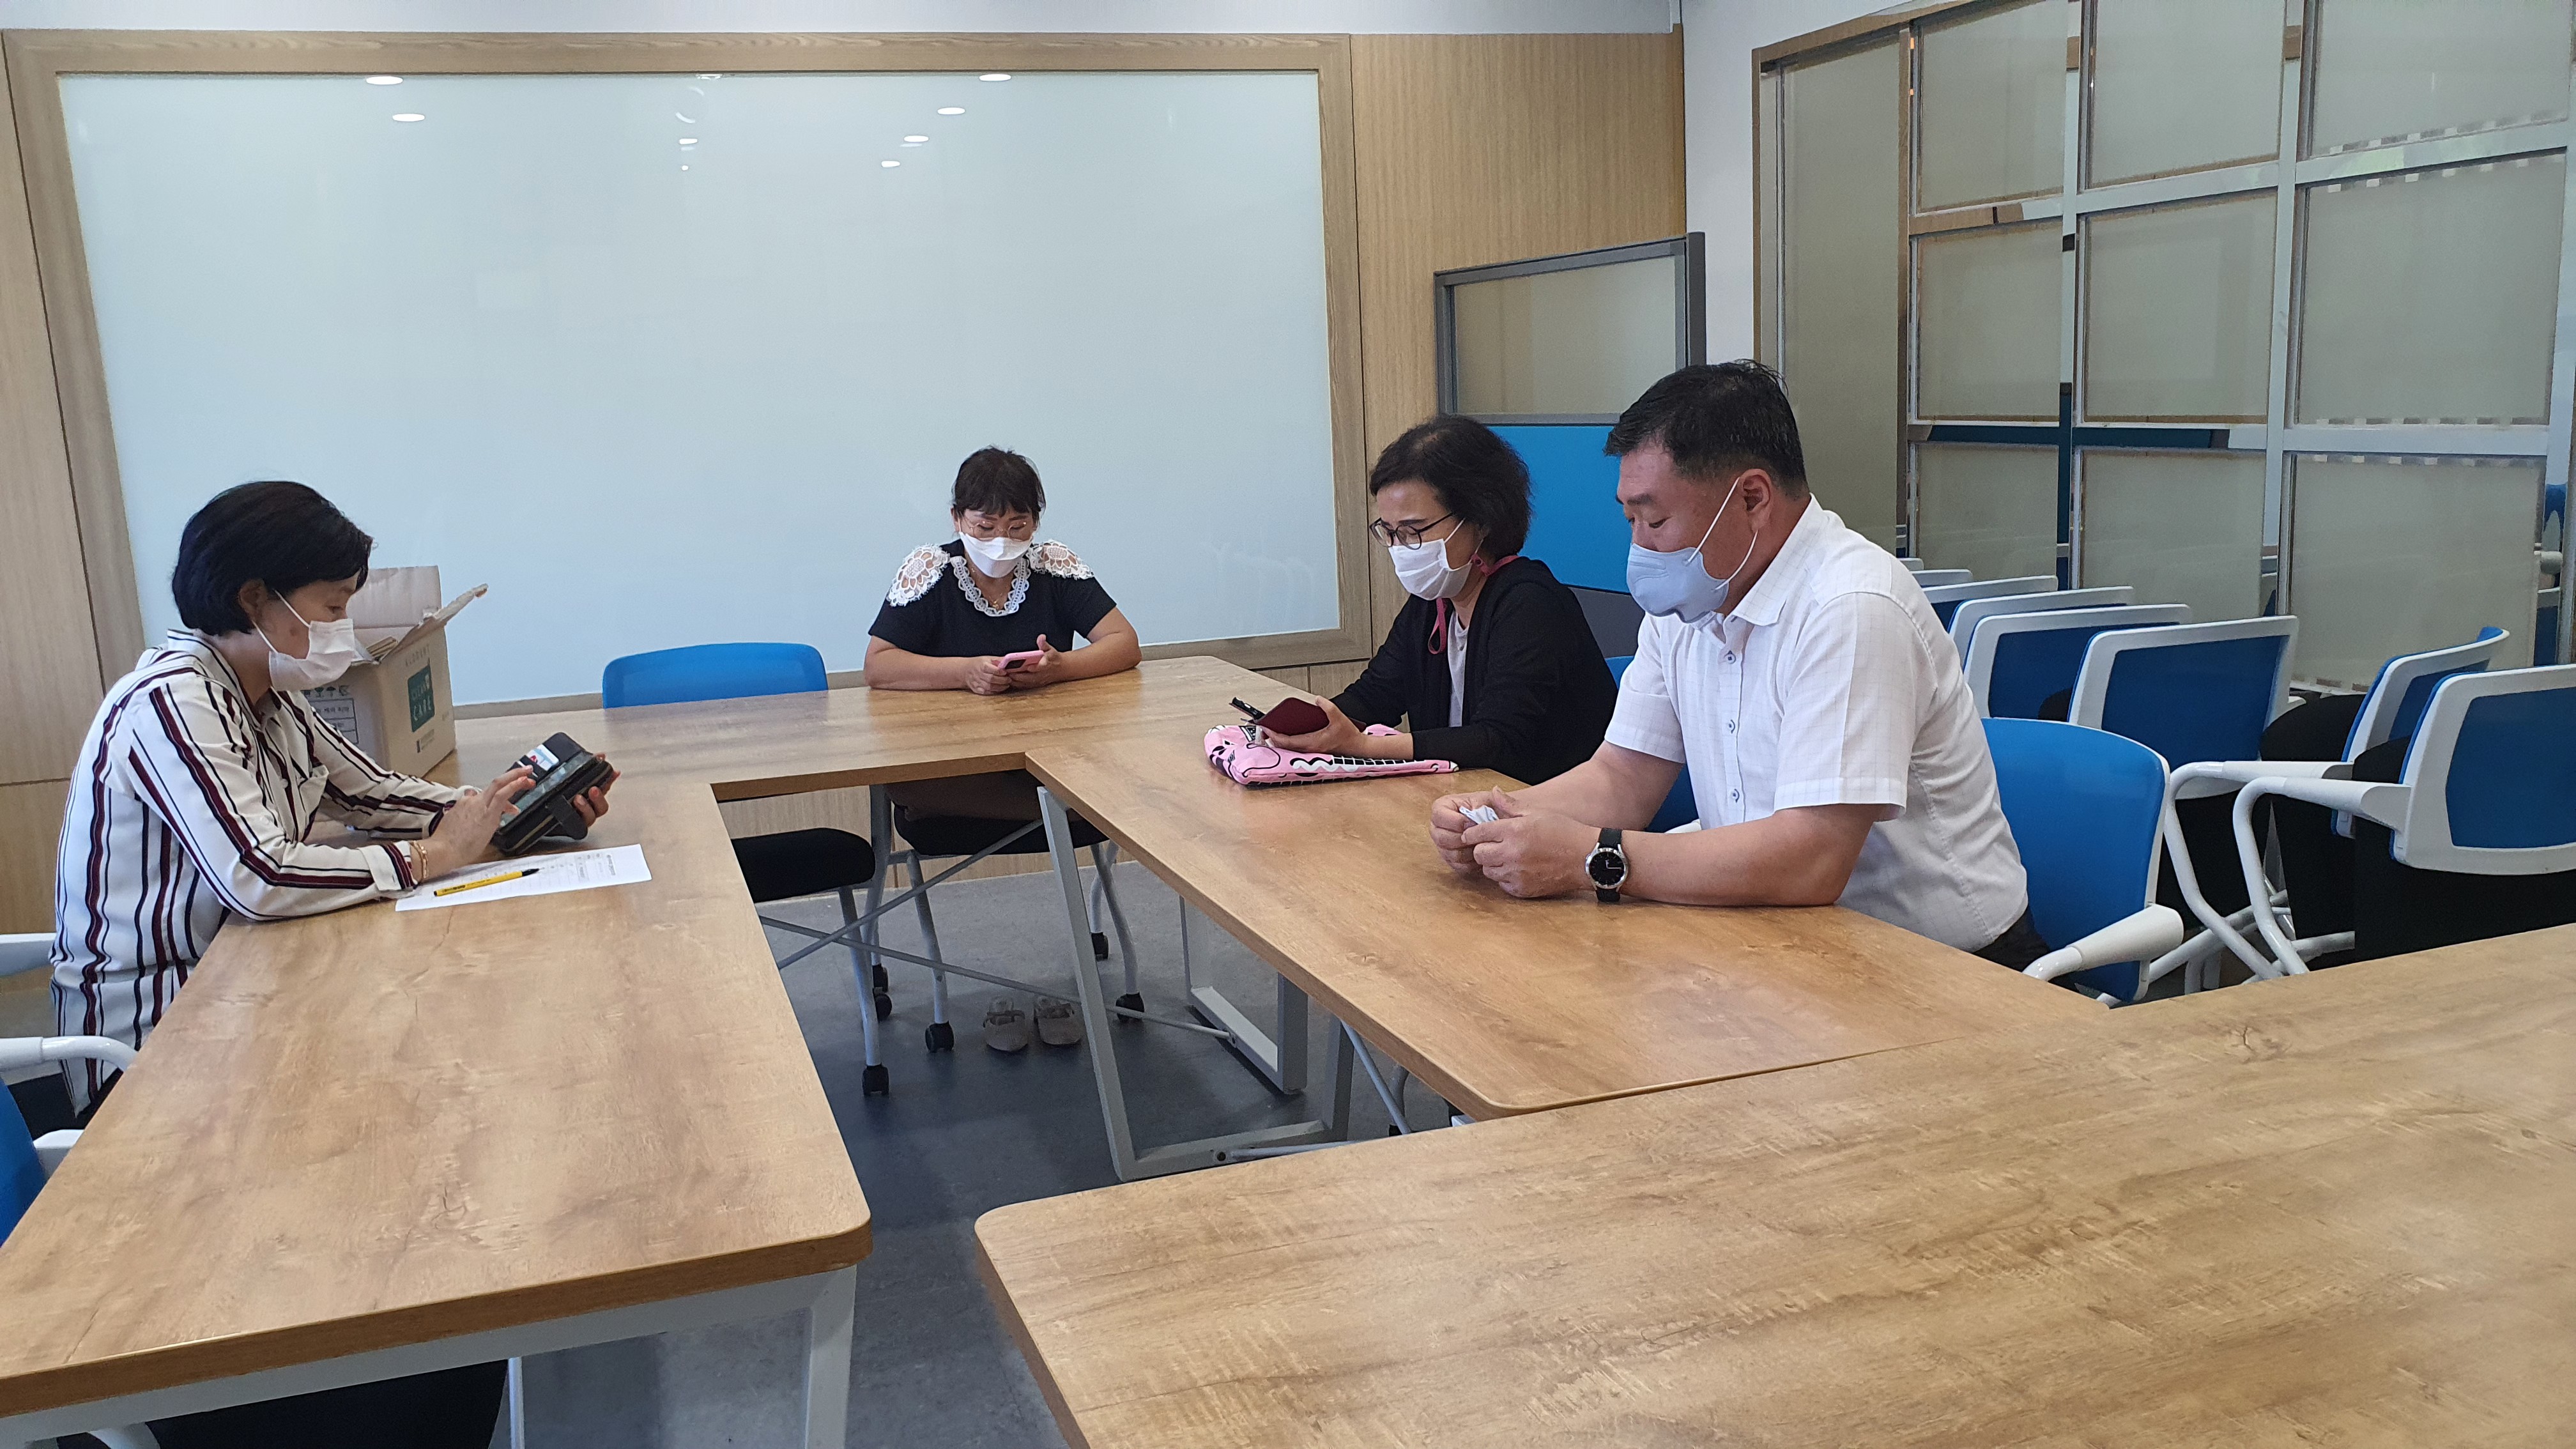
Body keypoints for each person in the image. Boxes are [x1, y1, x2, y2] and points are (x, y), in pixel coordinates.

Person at [49, 479, 611, 1449]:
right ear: (255, 600)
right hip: (153, 1057)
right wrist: (433, 860)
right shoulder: (173, 701)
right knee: (427, 1105)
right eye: (332, 605)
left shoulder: (265, 697)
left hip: (249, 1002)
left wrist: (511, 811)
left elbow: (376, 793)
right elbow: (261, 875)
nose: (343, 629)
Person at [1429, 362, 2043, 968]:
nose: (1640, 546)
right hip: (1780, 934)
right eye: (1630, 519)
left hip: (1944, 967)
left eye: (1656, 520)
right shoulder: (1694, 596)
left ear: (1752, 498)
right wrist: (1504, 821)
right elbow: (1623, 776)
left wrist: (1592, 857)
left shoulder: (1851, 606)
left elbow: (1813, 858)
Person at [862, 447, 1140, 1050]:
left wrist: (1061, 669)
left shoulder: (1052, 565)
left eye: (1017, 526)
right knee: (917, 785)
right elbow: (879, 665)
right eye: (985, 526)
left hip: (1045, 758)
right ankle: (1069, 807)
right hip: (956, 775)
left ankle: (1066, 803)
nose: (1001, 542)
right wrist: (964, 672)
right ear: (957, 518)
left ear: (1035, 523)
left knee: (1081, 777)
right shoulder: (930, 570)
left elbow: (1124, 643)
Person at [1265, 416, 1616, 784]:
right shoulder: (1433, 602)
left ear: (1481, 520)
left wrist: (1365, 746)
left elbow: (1497, 740)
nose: (1401, 548)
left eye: (1413, 531)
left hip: (1543, 802)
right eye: (1390, 532)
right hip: (1461, 795)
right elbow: (1375, 695)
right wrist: (1307, 728)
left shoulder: (1531, 603)